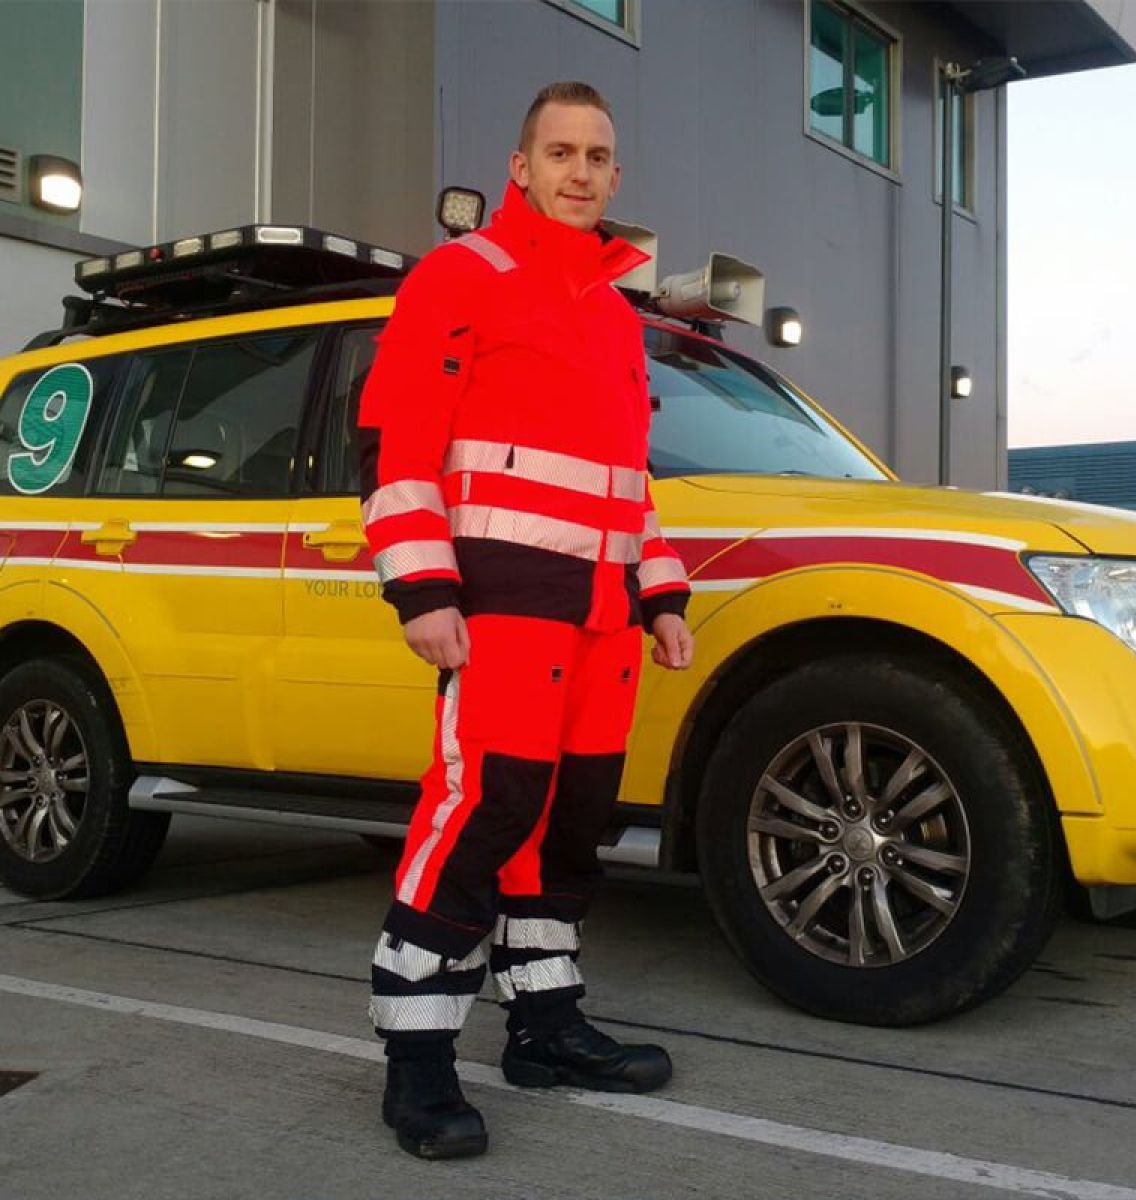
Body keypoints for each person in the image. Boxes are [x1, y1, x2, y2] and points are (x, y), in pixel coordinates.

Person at [357, 80, 693, 1161]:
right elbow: (401, 443)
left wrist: (662, 591)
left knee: (570, 820)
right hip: (499, 610)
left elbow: (630, 480)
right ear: (521, 166)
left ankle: (543, 1022)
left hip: (599, 622)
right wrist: (424, 587)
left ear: (616, 176)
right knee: (480, 812)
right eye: (561, 152)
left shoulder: (614, 313)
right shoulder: (462, 277)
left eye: (598, 155)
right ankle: (416, 1057)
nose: (580, 171)